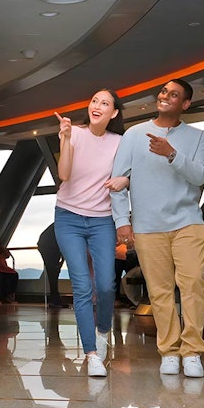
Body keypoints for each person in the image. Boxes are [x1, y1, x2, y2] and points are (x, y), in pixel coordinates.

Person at [111, 79, 204, 378]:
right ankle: (168, 350)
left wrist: (171, 153)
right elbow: (117, 182)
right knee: (160, 291)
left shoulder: (198, 138)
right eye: (164, 92)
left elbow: (199, 177)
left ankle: (192, 350)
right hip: (147, 225)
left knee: (194, 282)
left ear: (185, 104)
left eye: (174, 94)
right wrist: (122, 221)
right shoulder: (133, 135)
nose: (165, 96)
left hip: (188, 222)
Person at [55, 89, 125, 377]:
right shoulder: (75, 133)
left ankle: (103, 330)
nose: (97, 106)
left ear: (114, 113)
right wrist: (67, 139)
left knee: (107, 285)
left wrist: (126, 179)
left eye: (105, 103)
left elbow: (130, 173)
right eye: (95, 101)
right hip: (68, 217)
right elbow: (64, 175)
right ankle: (91, 353)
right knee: (83, 286)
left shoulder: (120, 142)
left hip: (101, 221)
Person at [37, 223, 67, 308]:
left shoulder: (62, 222)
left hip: (47, 245)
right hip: (49, 245)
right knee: (53, 271)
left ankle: (55, 299)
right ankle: (55, 300)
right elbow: (64, 242)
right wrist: (62, 261)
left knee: (53, 272)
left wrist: (61, 261)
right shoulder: (66, 225)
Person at [0, 231, 19, 304]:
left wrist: (0, 247)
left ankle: (9, 296)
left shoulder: (0, 247)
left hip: (3, 267)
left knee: (14, 275)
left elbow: (7, 255)